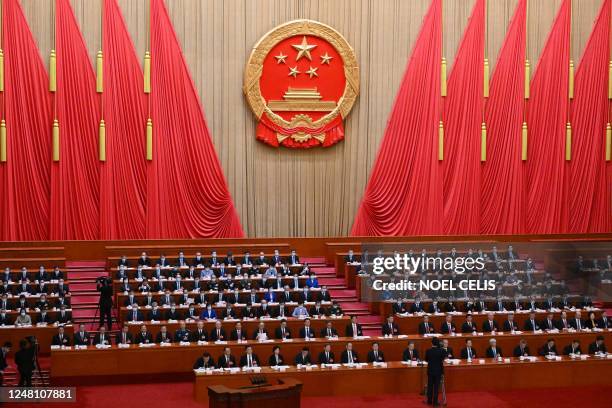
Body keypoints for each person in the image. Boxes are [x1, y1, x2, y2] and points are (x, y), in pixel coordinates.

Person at [425, 337, 446, 406]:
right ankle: (435, 402)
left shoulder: (428, 351)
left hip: (430, 371)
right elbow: (443, 358)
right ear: (438, 343)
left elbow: (426, 360)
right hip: (438, 371)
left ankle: (429, 401)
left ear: (431, 343)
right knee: (436, 387)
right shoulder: (441, 351)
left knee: (430, 386)